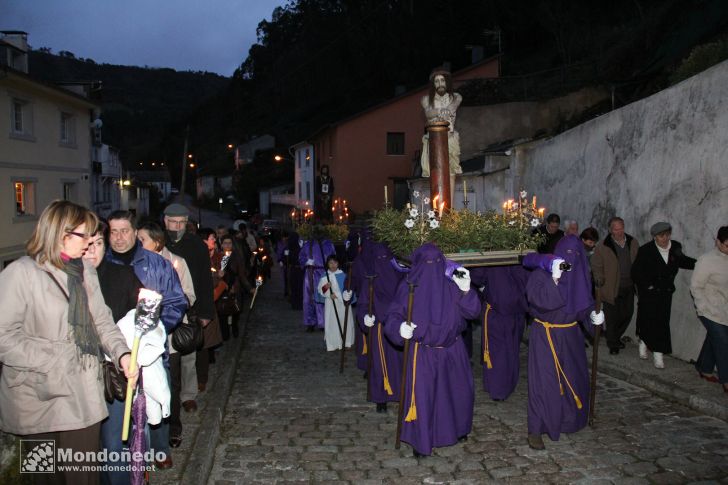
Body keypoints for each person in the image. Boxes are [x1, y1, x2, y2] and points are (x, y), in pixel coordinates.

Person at [0, 200, 134, 485]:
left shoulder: (85, 271)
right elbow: (3, 336)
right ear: (61, 233)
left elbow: (102, 321)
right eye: (84, 235)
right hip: (36, 396)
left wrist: (122, 355)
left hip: (81, 395)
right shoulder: (20, 274)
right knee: (43, 478)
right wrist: (52, 358)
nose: (89, 242)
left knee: (82, 477)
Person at [105, 210, 187, 469]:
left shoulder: (156, 264)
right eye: (113, 232)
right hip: (113, 348)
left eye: (124, 231)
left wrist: (156, 329)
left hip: (149, 348)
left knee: (155, 395)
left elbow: (176, 301)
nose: (118, 238)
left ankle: (160, 450)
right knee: (119, 401)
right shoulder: (99, 263)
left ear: (135, 232)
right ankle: (127, 454)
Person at [384, 243, 481, 457]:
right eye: (427, 263)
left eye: (437, 262)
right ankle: (422, 440)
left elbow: (473, 312)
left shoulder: (452, 284)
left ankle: (457, 428)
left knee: (458, 393)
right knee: (424, 398)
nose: (432, 267)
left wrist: (466, 290)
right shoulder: (408, 287)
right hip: (423, 352)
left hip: (452, 349)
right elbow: (392, 316)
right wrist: (400, 329)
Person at [522, 235, 603, 450]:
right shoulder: (541, 274)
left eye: (575, 254)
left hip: (571, 336)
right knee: (543, 383)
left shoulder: (581, 277)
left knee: (573, 380)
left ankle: (569, 419)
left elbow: (584, 306)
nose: (571, 259)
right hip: (545, 335)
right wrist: (554, 281)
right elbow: (536, 303)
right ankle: (536, 428)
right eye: (566, 254)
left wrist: (595, 320)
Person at [84, 228, 142, 485]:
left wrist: (127, 350)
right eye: (87, 244)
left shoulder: (123, 275)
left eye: (98, 243)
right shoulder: (68, 278)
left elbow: (142, 318)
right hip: (79, 378)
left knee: (114, 446)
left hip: (115, 375)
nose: (92, 250)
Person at [137, 221, 198, 446]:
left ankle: (173, 426)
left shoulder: (176, 263)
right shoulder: (134, 265)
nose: (137, 243)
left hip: (168, 335)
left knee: (170, 382)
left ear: (156, 242)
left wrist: (167, 305)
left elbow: (189, 295)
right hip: (139, 337)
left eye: (141, 239)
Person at [163, 203, 216, 418]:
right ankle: (168, 396)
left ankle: (188, 394)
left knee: (187, 352)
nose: (177, 226)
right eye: (173, 222)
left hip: (189, 306)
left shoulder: (196, 245)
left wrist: (205, 311)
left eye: (181, 223)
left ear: (187, 223)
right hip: (164, 306)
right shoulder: (159, 242)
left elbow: (204, 280)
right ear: (165, 221)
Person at [631, 222, 695, 368]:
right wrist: (648, 286)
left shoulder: (675, 247)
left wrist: (701, 264)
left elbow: (682, 261)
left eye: (667, 235)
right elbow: (636, 272)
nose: (665, 238)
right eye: (661, 236)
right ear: (654, 237)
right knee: (647, 319)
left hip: (665, 292)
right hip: (649, 292)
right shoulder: (646, 250)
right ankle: (644, 341)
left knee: (661, 322)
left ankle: (658, 353)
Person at [357, 242, 406, 412]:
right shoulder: (370, 280)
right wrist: (365, 317)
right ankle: (381, 397)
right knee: (379, 364)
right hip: (378, 328)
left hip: (398, 328)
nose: (382, 262)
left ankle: (402, 394)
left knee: (400, 363)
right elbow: (363, 303)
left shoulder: (401, 278)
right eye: (379, 259)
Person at [470, 265, 529, 401]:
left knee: (497, 350)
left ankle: (498, 389)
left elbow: (477, 276)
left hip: (497, 311)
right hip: (517, 310)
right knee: (512, 348)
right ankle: (508, 383)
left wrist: (484, 288)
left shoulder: (494, 256)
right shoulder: (521, 255)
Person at [591, 216, 639, 355]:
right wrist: (599, 278)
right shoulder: (603, 246)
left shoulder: (632, 242)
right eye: (616, 229)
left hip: (629, 285)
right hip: (611, 286)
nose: (619, 232)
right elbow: (596, 265)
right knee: (612, 317)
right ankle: (613, 343)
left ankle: (615, 337)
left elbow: (638, 261)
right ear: (610, 230)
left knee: (627, 314)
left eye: (621, 228)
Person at [691, 226, 728, 391]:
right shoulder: (706, 260)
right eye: (727, 245)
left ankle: (704, 368)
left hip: (725, 309)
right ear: (718, 242)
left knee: (714, 339)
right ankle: (726, 380)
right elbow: (695, 287)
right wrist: (704, 307)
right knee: (723, 342)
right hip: (708, 309)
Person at [420, 68, 463, 178]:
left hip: (450, 138)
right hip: (434, 139)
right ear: (433, 84)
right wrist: (439, 111)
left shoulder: (456, 97)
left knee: (451, 174)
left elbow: (452, 107)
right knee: (435, 173)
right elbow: (428, 113)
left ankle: (450, 196)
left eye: (442, 80)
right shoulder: (426, 99)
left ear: (447, 82)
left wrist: (446, 110)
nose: (440, 84)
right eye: (436, 81)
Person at [316, 255, 355, 351]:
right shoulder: (325, 275)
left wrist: (342, 295)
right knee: (332, 323)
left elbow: (349, 289)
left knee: (345, 321)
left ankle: (347, 342)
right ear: (327, 264)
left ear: (338, 263)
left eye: (335, 263)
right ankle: (334, 343)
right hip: (331, 304)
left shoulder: (343, 275)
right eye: (330, 263)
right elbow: (320, 290)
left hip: (343, 303)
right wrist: (327, 289)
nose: (333, 265)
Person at [299, 237, 335, 332]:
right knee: (309, 298)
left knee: (323, 297)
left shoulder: (328, 244)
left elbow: (333, 258)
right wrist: (306, 262)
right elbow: (301, 257)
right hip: (310, 273)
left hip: (323, 274)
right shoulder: (308, 244)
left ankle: (323, 322)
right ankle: (310, 322)